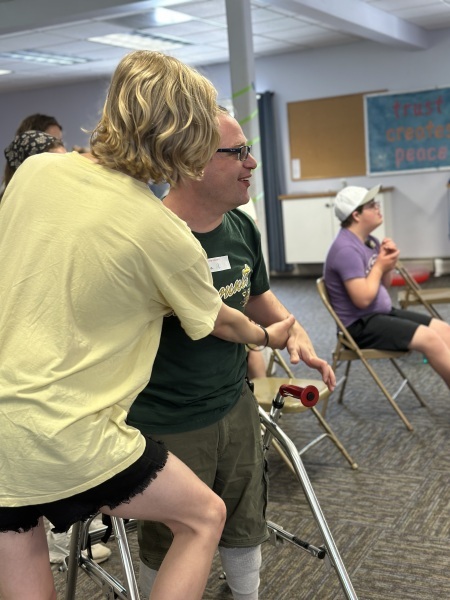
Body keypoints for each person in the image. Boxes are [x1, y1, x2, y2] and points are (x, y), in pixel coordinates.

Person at [0, 50, 295, 600]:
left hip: (4, 423)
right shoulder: (161, 232)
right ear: (182, 138)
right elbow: (222, 321)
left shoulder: (34, 171)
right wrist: (267, 335)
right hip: (70, 433)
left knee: (21, 534)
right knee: (204, 517)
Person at [128, 108, 335, 600]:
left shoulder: (240, 227)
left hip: (234, 401)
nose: (252, 163)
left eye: (249, 150)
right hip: (169, 417)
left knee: (244, 521)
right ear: (192, 161)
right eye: (237, 152)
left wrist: (295, 328)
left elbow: (256, 294)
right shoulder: (152, 236)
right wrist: (266, 336)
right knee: (173, 536)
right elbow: (224, 323)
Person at [324, 184, 450, 388]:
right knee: (430, 339)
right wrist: (380, 266)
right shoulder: (345, 249)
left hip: (380, 314)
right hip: (360, 326)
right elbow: (363, 299)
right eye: (372, 205)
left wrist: (387, 264)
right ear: (356, 215)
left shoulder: (369, 241)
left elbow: (385, 284)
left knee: (444, 330)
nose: (378, 207)